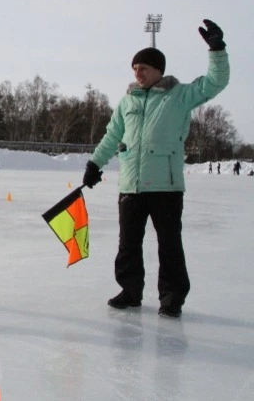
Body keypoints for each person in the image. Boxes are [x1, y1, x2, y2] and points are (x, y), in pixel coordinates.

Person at [82, 19, 229, 319]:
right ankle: (130, 291)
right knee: (128, 245)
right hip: (131, 185)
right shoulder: (127, 101)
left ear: (158, 70)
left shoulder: (179, 95)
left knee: (170, 246)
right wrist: (95, 163)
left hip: (166, 186)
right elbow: (113, 135)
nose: (138, 72)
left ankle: (172, 298)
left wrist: (217, 50)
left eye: (143, 67)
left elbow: (215, 82)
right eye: (135, 68)